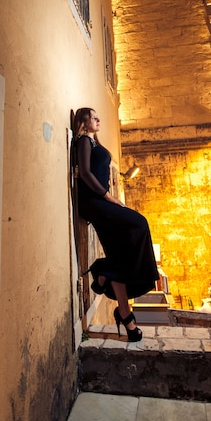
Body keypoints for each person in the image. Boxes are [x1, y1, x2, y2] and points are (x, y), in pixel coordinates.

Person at [73, 107, 159, 342]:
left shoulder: (94, 143)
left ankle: (125, 314)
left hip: (100, 199)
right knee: (139, 223)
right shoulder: (83, 141)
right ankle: (101, 272)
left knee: (118, 255)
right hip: (94, 201)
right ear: (84, 121)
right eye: (93, 117)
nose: (98, 119)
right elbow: (86, 175)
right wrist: (108, 197)